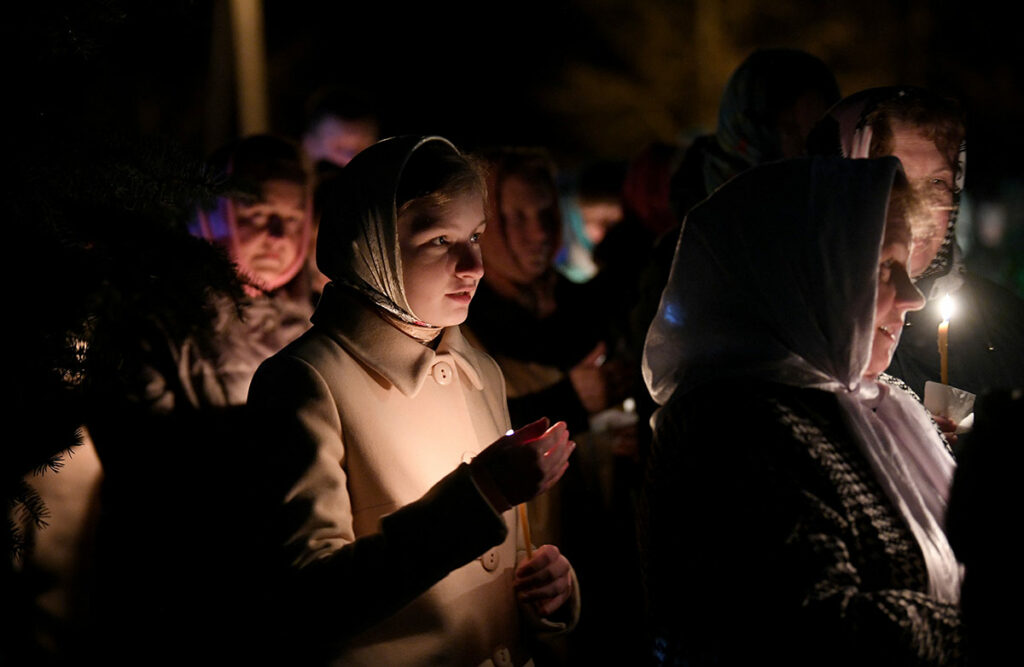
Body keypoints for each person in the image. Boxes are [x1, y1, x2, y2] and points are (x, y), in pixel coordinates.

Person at [247, 136, 579, 665]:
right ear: (371, 245)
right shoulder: (305, 382)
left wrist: (543, 589)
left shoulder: (480, 370)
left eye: (476, 235)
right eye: (440, 240)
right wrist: (481, 494)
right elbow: (310, 600)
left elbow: (508, 558)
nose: (474, 264)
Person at [641, 156, 963, 666]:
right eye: (883, 268)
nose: (913, 297)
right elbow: (813, 629)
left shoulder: (879, 404)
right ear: (800, 275)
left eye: (907, 268)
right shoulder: (731, 427)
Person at [85, 134, 317, 661]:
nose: (280, 234)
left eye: (294, 217)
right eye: (257, 212)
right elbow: (143, 459)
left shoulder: (320, 323)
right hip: (174, 591)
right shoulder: (150, 317)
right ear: (211, 213)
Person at [808, 86, 1024, 399]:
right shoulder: (801, 333)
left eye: (937, 183)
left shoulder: (1007, 327)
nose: (919, 207)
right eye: (897, 181)